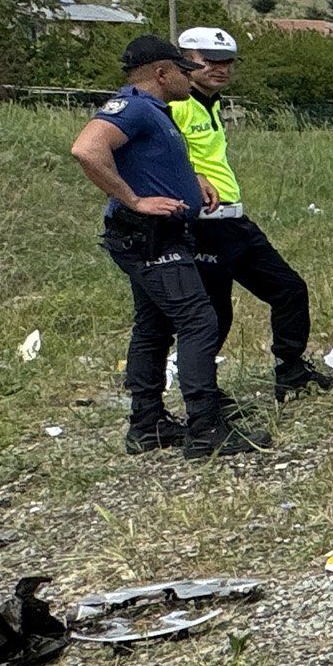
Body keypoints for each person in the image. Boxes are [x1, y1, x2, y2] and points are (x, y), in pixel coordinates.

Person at [69, 36, 270, 457]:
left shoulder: (155, 112)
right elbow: (87, 149)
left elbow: (150, 161)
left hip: (158, 234)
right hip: (150, 237)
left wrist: (189, 182)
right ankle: (205, 426)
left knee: (153, 325)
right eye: (182, 69)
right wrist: (135, 200)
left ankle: (147, 422)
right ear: (161, 73)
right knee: (199, 320)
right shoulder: (136, 107)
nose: (189, 75)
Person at [169, 26, 333, 403]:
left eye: (227, 63)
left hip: (234, 220)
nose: (221, 70)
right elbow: (163, 156)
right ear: (186, 61)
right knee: (214, 316)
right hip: (202, 224)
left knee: (288, 288)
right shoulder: (176, 105)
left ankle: (290, 369)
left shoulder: (211, 102)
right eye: (210, 62)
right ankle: (203, 396)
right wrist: (192, 177)